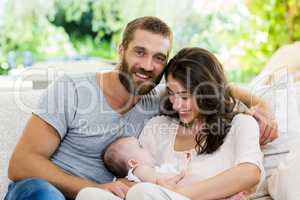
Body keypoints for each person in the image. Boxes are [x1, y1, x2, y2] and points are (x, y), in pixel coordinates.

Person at [5, 16, 277, 200]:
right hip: (46, 191)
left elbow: (208, 87)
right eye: (140, 52)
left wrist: (260, 104)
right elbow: (20, 165)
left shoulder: (161, 99)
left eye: (159, 57)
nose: (148, 66)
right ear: (121, 50)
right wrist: (95, 187)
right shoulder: (72, 90)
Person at [76, 47, 264, 200]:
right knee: (89, 195)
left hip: (165, 197)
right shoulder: (159, 127)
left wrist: (175, 194)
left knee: (143, 193)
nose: (176, 104)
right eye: (172, 94)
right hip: (151, 196)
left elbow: (250, 173)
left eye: (184, 96)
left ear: (208, 92)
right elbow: (135, 175)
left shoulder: (241, 124)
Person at [101, 136, 245, 200]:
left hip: (181, 191)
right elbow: (159, 181)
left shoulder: (151, 169)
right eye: (140, 147)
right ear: (133, 162)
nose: (146, 148)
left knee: (196, 181)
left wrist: (184, 165)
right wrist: (181, 175)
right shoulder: (139, 170)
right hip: (174, 192)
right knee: (194, 181)